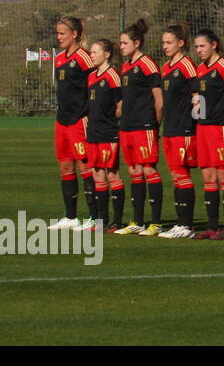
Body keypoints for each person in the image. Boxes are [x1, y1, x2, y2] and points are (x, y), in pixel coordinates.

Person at [115, 19, 164, 235]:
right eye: (120, 43)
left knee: (148, 169)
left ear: (137, 43)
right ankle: (137, 221)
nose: (121, 47)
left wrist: (154, 124)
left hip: (144, 125)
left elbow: (159, 100)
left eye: (125, 43)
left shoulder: (148, 64)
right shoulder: (126, 67)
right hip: (127, 126)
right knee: (134, 171)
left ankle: (156, 223)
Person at [191, 29, 224, 240]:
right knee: (208, 176)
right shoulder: (200, 69)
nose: (199, 50)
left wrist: (222, 115)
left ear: (214, 45)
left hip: (221, 128)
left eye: (202, 46)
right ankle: (212, 227)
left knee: (223, 174)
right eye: (196, 47)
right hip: (203, 128)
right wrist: (198, 114)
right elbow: (196, 97)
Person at [157, 24, 201, 238]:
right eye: (163, 42)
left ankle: (186, 226)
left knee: (181, 173)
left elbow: (197, 95)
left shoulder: (187, 65)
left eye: (169, 42)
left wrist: (196, 124)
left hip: (184, 128)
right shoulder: (166, 67)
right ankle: (180, 223)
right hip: (170, 128)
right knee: (175, 174)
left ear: (181, 43)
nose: (165, 46)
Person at [50, 16, 93, 231]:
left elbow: (94, 86)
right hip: (62, 121)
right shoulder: (59, 59)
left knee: (85, 166)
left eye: (62, 33)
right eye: (57, 33)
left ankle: (94, 217)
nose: (58, 37)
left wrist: (89, 114)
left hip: (79, 120)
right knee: (65, 166)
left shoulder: (84, 57)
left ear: (74, 34)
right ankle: (70, 216)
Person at [85, 38, 124, 231]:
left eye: (94, 52)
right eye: (91, 52)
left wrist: (111, 120)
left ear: (106, 54)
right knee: (97, 174)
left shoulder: (113, 75)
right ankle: (101, 221)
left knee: (112, 175)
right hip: (93, 132)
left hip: (108, 132)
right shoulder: (92, 76)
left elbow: (120, 104)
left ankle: (116, 221)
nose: (91, 55)